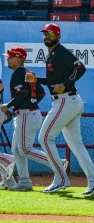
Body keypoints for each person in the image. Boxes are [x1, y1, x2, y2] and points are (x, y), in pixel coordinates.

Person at [25, 23, 94, 195]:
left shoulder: (60, 51)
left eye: (50, 33)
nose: (46, 36)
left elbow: (81, 67)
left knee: (45, 137)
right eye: (45, 33)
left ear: (58, 36)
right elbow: (54, 83)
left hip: (65, 101)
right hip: (68, 101)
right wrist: (36, 80)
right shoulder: (52, 54)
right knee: (76, 145)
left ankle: (61, 179)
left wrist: (66, 83)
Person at [1, 46, 69, 191]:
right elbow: (41, 92)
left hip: (26, 114)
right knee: (16, 149)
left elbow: (22, 94)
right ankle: (25, 181)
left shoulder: (19, 73)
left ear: (19, 58)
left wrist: (9, 104)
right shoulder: (27, 73)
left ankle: (58, 163)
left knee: (24, 149)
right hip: (29, 113)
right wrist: (31, 102)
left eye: (11, 56)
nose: (8, 58)